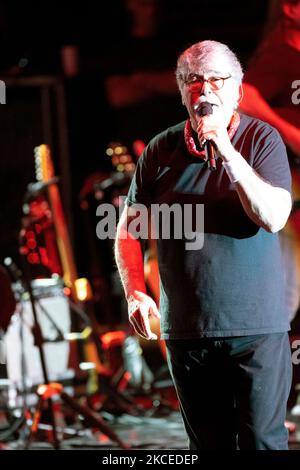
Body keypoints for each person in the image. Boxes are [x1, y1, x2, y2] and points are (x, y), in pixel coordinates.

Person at [114, 39, 293, 450]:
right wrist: (135, 291)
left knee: (262, 443)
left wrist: (226, 150)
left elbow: (273, 216)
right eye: (193, 81)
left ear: (237, 91)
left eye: (217, 80)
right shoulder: (160, 150)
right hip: (188, 332)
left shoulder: (261, 140)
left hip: (256, 331)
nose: (205, 89)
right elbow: (128, 229)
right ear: (181, 92)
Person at [239, 0, 300, 323]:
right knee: (282, 301)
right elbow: (243, 100)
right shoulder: (281, 55)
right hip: (281, 194)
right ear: (290, 9)